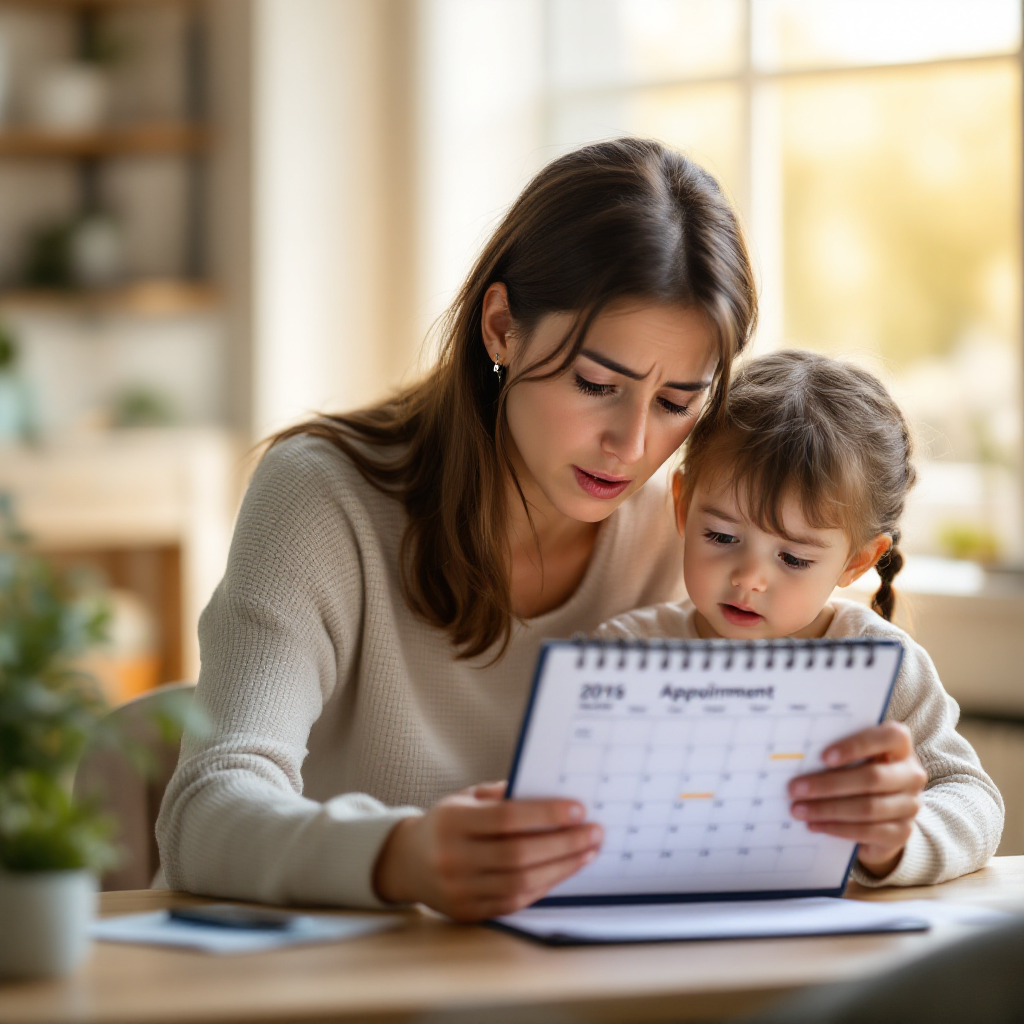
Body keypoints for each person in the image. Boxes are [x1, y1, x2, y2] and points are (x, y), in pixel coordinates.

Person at [156, 138, 758, 920]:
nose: (633, 444)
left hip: (578, 974)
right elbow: (204, 810)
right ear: (502, 326)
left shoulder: (700, 530)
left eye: (677, 402)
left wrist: (884, 836)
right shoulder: (324, 496)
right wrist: (400, 857)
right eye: (595, 384)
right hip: (339, 975)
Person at [597, 350, 1003, 885]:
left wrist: (894, 841)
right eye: (721, 536)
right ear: (682, 505)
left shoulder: (881, 664)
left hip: (828, 926)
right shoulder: (623, 654)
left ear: (857, 561)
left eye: (792, 558)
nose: (749, 578)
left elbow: (973, 798)